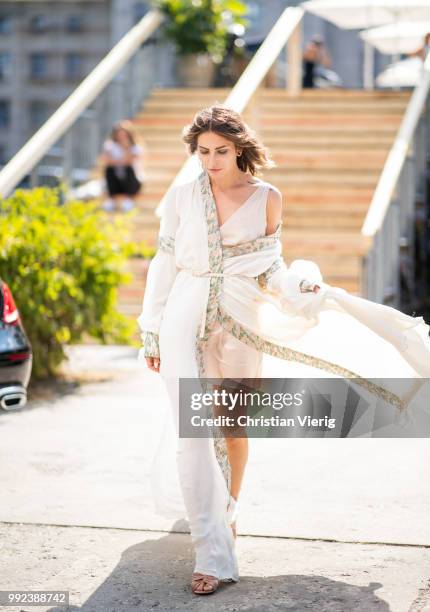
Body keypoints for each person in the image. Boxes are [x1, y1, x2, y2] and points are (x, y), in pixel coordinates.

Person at [136, 104, 430, 596]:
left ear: (239, 149)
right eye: (203, 152)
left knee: (231, 426)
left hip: (242, 318)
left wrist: (299, 287)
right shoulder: (183, 198)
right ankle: (212, 553)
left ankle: (227, 513)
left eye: (221, 152)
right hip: (183, 320)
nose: (211, 161)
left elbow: (270, 268)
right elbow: (162, 266)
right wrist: (151, 327)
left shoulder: (267, 197)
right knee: (194, 430)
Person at [101, 120, 144, 212]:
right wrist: (120, 161)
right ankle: (112, 200)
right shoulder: (110, 146)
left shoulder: (135, 147)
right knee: (109, 170)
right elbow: (107, 161)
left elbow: (129, 162)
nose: (121, 137)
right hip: (115, 177)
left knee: (128, 169)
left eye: (124, 135)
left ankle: (128, 200)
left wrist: (126, 148)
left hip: (131, 179)